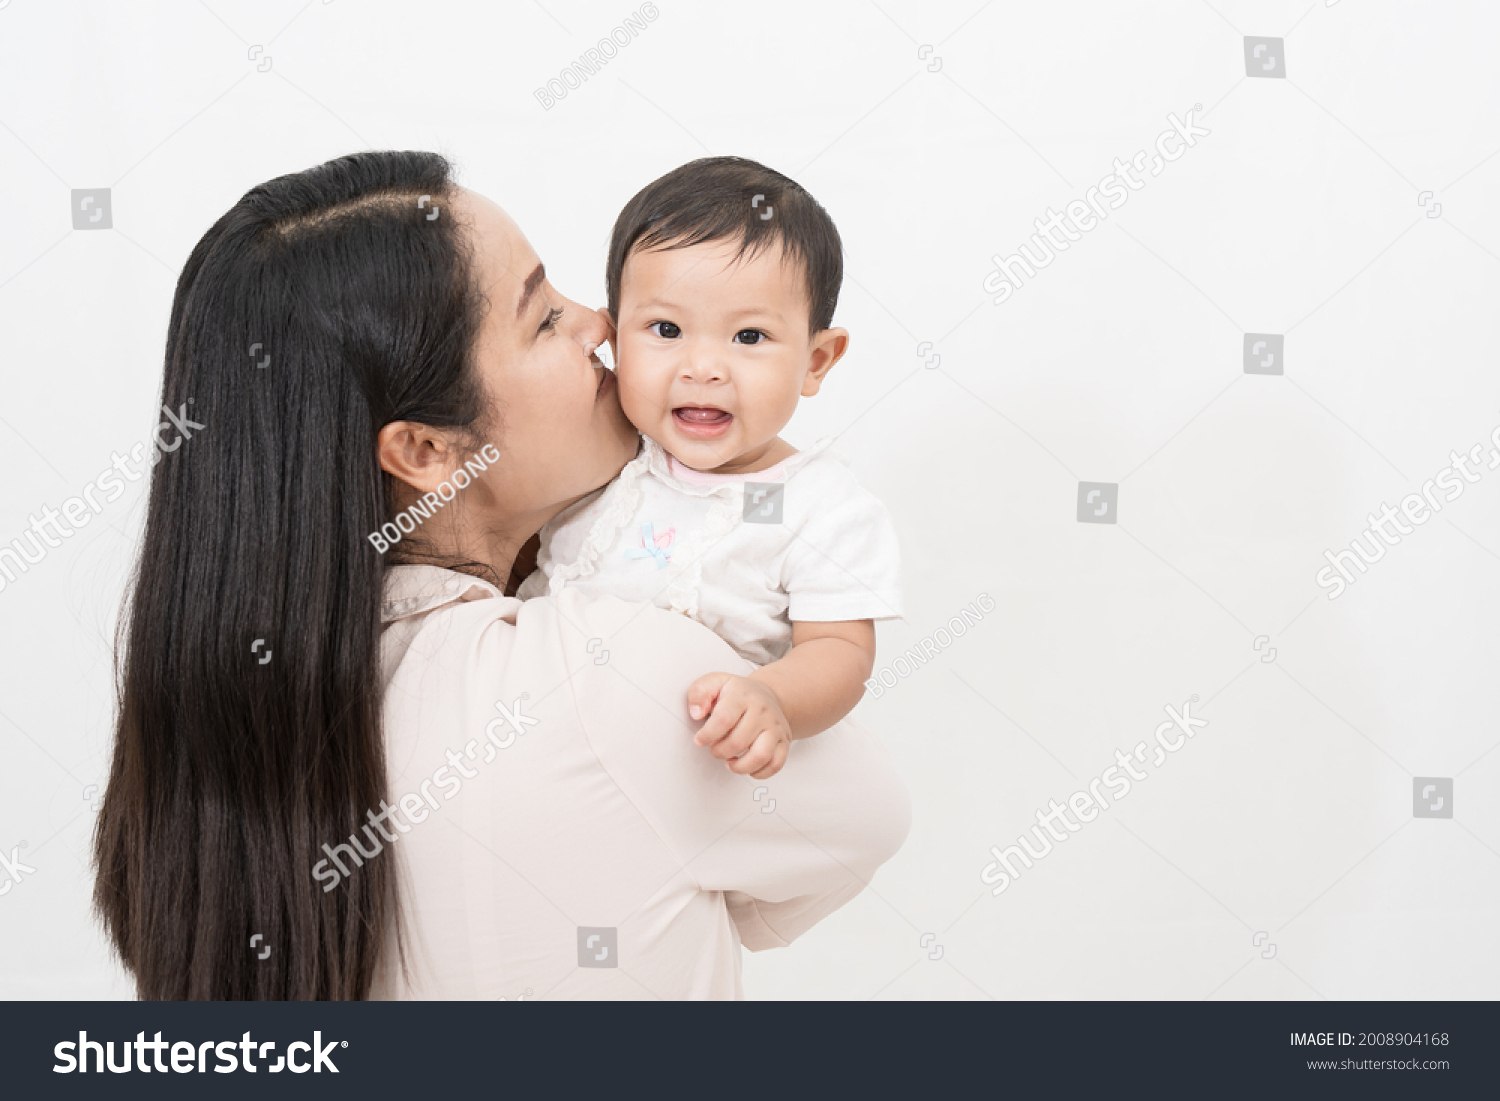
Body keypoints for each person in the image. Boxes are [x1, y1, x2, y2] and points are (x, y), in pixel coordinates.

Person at [92, 150, 909, 1000]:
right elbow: (868, 815)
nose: (601, 323)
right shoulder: (620, 669)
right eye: (545, 316)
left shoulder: (246, 714)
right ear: (425, 450)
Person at [519, 157, 902, 783]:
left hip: (695, 772)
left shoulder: (822, 505)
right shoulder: (603, 448)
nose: (703, 367)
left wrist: (774, 699)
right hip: (544, 744)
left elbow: (840, 652)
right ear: (616, 339)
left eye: (749, 338)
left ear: (817, 361)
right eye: (665, 328)